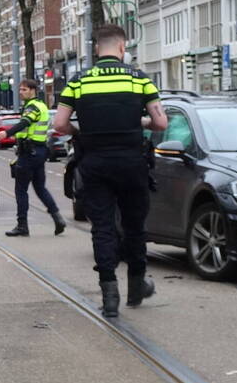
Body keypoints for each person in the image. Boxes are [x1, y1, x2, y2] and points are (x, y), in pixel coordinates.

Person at [52, 24, 168, 317]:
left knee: (102, 228)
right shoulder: (139, 80)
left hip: (94, 163)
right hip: (132, 163)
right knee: (134, 226)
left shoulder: (78, 82)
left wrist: (85, 129)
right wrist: (138, 123)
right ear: (122, 47)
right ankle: (137, 285)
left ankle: (110, 295)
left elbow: (60, 125)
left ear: (96, 48)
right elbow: (161, 123)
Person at [0, 78, 65, 237]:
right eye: (20, 90)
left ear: (33, 90)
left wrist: (6, 133)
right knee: (40, 187)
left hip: (29, 153)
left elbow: (25, 122)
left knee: (21, 190)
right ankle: (57, 217)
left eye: (24, 90)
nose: (21, 92)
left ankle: (22, 225)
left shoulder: (32, 107)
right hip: (39, 152)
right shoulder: (42, 105)